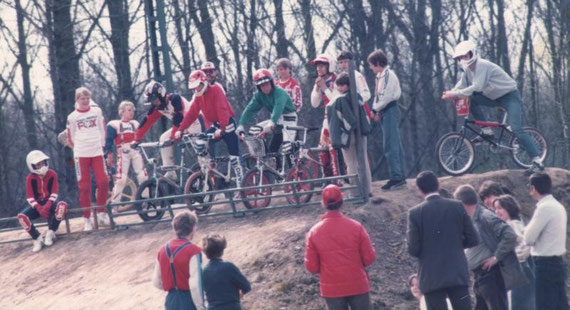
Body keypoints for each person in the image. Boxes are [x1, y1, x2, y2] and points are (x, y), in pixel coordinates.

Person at [441, 40, 544, 174]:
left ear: (473, 53)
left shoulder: (482, 65)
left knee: (517, 129)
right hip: (495, 97)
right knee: (471, 99)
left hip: (510, 96)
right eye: (460, 57)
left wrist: (454, 93)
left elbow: (477, 87)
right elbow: (461, 85)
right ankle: (487, 131)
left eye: (465, 56)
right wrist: (451, 93)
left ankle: (537, 160)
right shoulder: (467, 70)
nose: (463, 59)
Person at [407, 171, 478, 310]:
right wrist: (456, 244)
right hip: (457, 273)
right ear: (438, 184)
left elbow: (413, 249)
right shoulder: (457, 206)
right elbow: (473, 239)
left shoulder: (414, 213)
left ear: (419, 189)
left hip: (431, 277)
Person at [454, 184, 527, 310]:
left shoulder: (485, 216)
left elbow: (509, 235)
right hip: (480, 277)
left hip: (490, 276)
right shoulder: (472, 218)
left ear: (461, 202)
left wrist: (496, 257)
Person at [305, 184, 376, 310]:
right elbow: (369, 258)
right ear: (342, 203)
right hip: (358, 285)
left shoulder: (314, 232)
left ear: (323, 204)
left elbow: (312, 267)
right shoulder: (357, 227)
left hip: (331, 290)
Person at [178, 70, 244, 183]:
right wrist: (181, 129)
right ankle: (210, 169)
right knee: (200, 144)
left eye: (197, 87)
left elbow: (222, 109)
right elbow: (192, 114)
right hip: (216, 124)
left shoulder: (216, 90)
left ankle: (241, 183)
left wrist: (222, 128)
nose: (196, 90)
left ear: (204, 83)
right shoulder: (198, 97)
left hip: (227, 124)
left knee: (234, 157)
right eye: (193, 88)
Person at [133, 80, 196, 181]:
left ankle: (214, 183)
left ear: (161, 95)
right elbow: (147, 121)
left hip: (194, 124)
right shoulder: (158, 107)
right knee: (163, 138)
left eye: (155, 100)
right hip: (181, 128)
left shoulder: (175, 99)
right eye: (152, 101)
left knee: (203, 155)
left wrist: (172, 137)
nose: (154, 103)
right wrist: (137, 138)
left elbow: (179, 119)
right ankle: (170, 171)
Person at [523, 172, 569, 310]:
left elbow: (528, 238)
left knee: (544, 305)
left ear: (533, 188)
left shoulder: (544, 208)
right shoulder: (558, 206)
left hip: (545, 264)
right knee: (560, 305)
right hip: (558, 263)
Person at [66, 86, 109, 231]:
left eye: (87, 98)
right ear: (77, 100)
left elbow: (103, 130)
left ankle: (102, 212)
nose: (85, 101)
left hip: (97, 152)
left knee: (103, 181)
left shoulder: (96, 111)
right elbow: (70, 136)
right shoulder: (72, 117)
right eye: (82, 98)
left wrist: (102, 146)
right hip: (81, 154)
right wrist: (77, 149)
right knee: (84, 187)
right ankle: (87, 218)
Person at [326, 72, 372, 195]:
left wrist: (337, 137)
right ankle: (368, 190)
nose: (340, 88)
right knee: (363, 161)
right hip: (361, 132)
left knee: (351, 163)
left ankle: (355, 193)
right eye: (338, 86)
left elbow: (342, 121)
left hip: (348, 135)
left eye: (342, 85)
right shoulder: (358, 97)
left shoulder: (338, 100)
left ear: (348, 85)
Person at [367, 49, 406, 190]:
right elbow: (378, 96)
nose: (370, 68)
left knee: (390, 144)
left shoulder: (388, 75)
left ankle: (397, 177)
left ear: (378, 63)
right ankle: (399, 175)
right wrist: (376, 109)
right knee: (392, 143)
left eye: (371, 65)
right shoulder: (380, 77)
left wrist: (375, 109)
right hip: (384, 110)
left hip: (390, 109)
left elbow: (388, 97)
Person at [152, 211, 205, 310]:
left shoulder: (162, 250)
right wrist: (201, 307)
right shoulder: (194, 250)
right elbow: (195, 284)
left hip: (171, 300)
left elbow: (156, 281)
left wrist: (171, 287)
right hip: (188, 300)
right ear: (192, 228)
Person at [17, 150, 68, 252]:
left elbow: (54, 193)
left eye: (43, 163)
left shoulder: (52, 174)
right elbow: (30, 197)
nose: (42, 166)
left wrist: (48, 205)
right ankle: (37, 238)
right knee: (22, 217)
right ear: (32, 166)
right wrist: (39, 208)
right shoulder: (30, 178)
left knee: (62, 205)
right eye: (38, 164)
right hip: (37, 205)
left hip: (49, 202)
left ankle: (51, 231)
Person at [236, 68, 298, 152]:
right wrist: (241, 124)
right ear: (258, 87)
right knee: (254, 130)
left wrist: (271, 123)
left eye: (266, 83)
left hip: (289, 118)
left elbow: (278, 108)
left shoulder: (280, 92)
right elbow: (250, 109)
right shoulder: (259, 95)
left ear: (271, 82)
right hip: (276, 120)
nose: (265, 87)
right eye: (262, 85)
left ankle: (293, 165)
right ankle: (262, 157)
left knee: (287, 147)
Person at [493, 195, 535, 310]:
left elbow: (523, 245)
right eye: (495, 209)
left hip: (519, 271)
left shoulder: (512, 225)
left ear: (509, 208)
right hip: (520, 271)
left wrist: (514, 258)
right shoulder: (511, 224)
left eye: (500, 208)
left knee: (520, 305)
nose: (497, 212)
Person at [104, 101, 147, 213]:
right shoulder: (115, 125)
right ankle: (115, 205)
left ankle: (146, 201)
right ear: (121, 112)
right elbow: (108, 140)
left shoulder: (135, 124)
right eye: (129, 110)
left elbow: (141, 134)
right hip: (123, 151)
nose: (131, 112)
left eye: (133, 110)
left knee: (142, 176)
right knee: (121, 179)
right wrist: (108, 153)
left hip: (135, 150)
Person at [309, 54, 343, 180]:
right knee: (322, 149)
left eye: (322, 65)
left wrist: (324, 88)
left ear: (330, 66)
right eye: (318, 66)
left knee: (334, 148)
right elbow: (314, 103)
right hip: (327, 118)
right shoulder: (319, 81)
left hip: (338, 119)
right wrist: (317, 88)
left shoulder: (337, 80)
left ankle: (338, 178)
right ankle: (327, 179)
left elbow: (337, 101)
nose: (319, 68)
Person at [199, 234, 251, 310]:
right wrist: (239, 295)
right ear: (222, 250)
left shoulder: (204, 272)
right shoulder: (229, 267)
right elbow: (246, 286)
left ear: (205, 252)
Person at [336, 51, 372, 120]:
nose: (343, 64)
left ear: (351, 62)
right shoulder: (339, 78)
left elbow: (367, 94)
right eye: (341, 62)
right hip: (347, 111)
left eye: (345, 61)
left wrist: (356, 100)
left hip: (361, 111)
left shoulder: (357, 76)